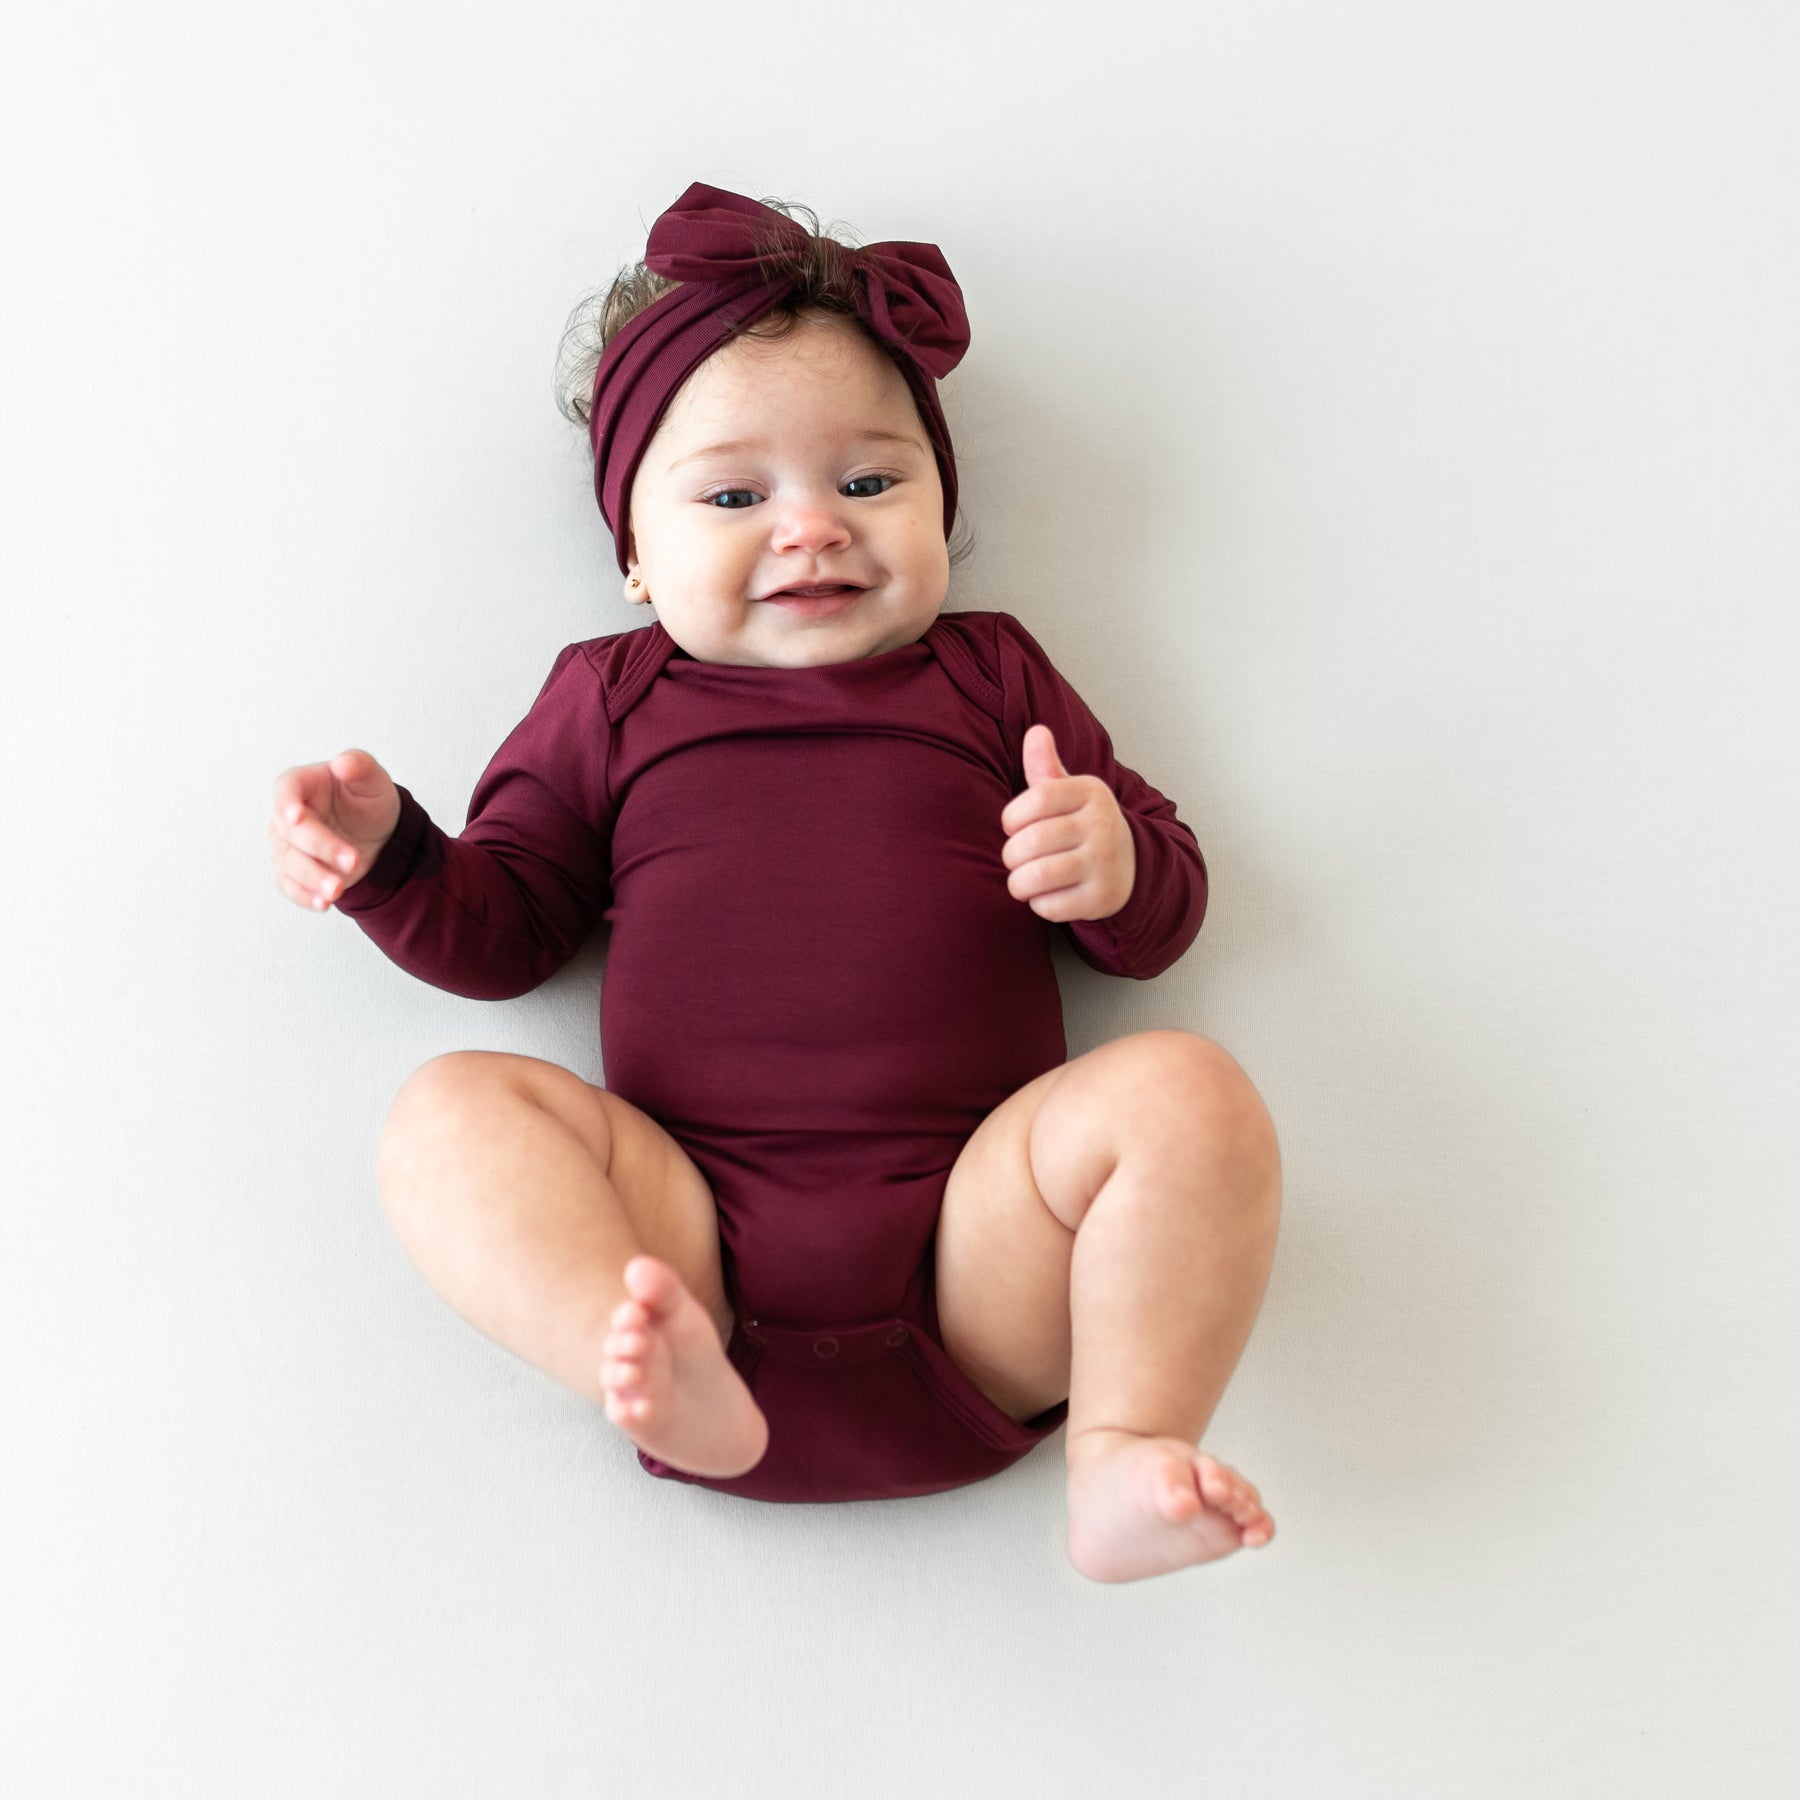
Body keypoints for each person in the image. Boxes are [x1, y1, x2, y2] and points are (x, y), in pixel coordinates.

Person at [267, 181, 1282, 1583]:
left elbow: (1161, 923)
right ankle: (617, 1347)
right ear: (634, 553)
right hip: (693, 1262)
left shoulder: (993, 676)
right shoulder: (611, 700)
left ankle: (1123, 1447)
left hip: (981, 1262)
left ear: (941, 508)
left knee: (1186, 1093)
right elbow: (507, 935)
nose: (810, 528)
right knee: (448, 1113)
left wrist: (1111, 859)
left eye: (869, 482)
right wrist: (391, 861)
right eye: (737, 495)